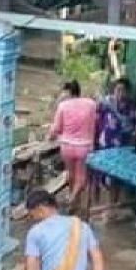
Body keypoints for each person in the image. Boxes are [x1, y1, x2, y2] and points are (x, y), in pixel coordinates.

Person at [48, 80, 98, 209]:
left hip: (67, 147)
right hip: (84, 147)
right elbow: (95, 120)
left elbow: (57, 128)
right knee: (81, 177)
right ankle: (74, 199)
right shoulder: (91, 104)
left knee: (71, 174)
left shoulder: (63, 106)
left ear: (69, 92)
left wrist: (50, 135)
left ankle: (72, 199)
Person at [95, 79, 136, 207]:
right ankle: (108, 202)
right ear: (114, 90)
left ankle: (113, 203)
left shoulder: (131, 106)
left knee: (116, 174)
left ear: (127, 92)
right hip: (106, 143)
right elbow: (96, 115)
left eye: (123, 90)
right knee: (104, 172)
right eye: (117, 89)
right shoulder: (107, 102)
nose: (120, 93)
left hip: (122, 145)